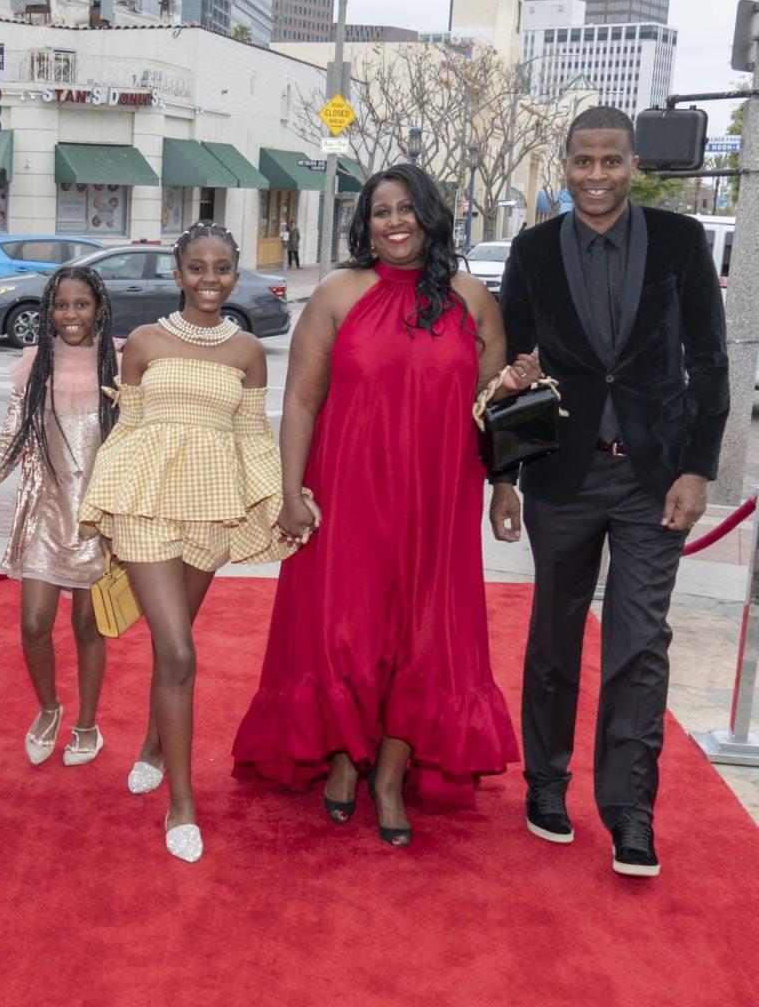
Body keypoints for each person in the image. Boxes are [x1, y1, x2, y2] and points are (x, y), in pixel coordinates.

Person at [232, 164, 536, 846]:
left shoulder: (473, 300)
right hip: (347, 490)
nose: (394, 222)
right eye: (380, 211)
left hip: (438, 498)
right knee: (346, 631)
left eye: (406, 209)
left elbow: (496, 410)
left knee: (426, 636)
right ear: (364, 223)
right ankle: (343, 761)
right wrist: (289, 491)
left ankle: (389, 774)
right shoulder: (339, 292)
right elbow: (302, 398)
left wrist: (507, 478)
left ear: (432, 215)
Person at [489, 106, 729, 879]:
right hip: (564, 473)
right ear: (564, 162)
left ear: (633, 164)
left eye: (611, 161)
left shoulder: (680, 241)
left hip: (654, 477)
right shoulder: (530, 250)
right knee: (554, 639)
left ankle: (631, 812)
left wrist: (698, 469)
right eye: (583, 161)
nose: (597, 176)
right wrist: (506, 477)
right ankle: (547, 786)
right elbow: (510, 372)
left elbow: (710, 361)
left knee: (639, 643)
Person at [80, 220, 303, 863]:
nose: (210, 280)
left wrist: (285, 496)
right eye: (197, 268)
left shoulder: (248, 350)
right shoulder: (145, 342)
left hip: (210, 510)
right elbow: (128, 429)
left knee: (171, 651)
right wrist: (105, 507)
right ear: (177, 275)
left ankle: (154, 744)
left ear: (236, 274)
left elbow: (254, 438)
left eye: (222, 268)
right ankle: (183, 803)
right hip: (147, 505)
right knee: (178, 651)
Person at [0, 265, 120, 768]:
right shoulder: (35, 365)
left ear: (99, 308)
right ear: (48, 310)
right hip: (44, 515)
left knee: (88, 627)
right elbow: (9, 439)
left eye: (81, 305)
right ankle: (49, 708)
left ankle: (87, 725)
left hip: (99, 520)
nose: (70, 315)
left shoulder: (120, 366)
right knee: (33, 624)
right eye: (60, 305)